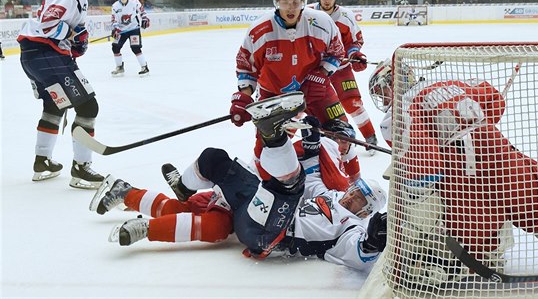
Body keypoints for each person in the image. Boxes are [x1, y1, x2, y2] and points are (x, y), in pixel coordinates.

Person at [368, 59, 538, 284]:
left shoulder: (402, 109)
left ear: (392, 86)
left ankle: (477, 263)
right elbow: (495, 102)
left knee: (467, 251)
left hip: (466, 185)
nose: (384, 97)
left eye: (382, 91)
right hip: (506, 161)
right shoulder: (453, 83)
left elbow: (426, 165)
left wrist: (410, 196)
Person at [92, 93, 388, 271]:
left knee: (225, 219)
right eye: (354, 192)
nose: (351, 197)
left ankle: (273, 134)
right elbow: (311, 176)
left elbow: (359, 254)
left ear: (365, 213)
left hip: (270, 233)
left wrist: (374, 241)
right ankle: (175, 186)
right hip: (258, 200)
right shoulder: (333, 195)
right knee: (214, 159)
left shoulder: (351, 227)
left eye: (359, 200)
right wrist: (311, 143)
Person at [229, 0, 346, 178]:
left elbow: (336, 52)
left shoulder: (322, 23)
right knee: (268, 150)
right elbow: (246, 67)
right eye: (285, 2)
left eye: (296, 1)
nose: (291, 7)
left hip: (315, 88)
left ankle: (355, 189)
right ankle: (259, 184)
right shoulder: (260, 30)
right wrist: (244, 96)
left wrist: (321, 74)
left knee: (343, 136)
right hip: (275, 96)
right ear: (277, 0)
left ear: (304, 1)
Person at [17, 0, 106, 189]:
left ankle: (42, 160)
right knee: (88, 106)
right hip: (45, 54)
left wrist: (76, 42)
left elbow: (58, 30)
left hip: (35, 55)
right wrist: (75, 34)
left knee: (54, 105)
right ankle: (81, 168)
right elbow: (48, 25)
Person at [309, 0, 379, 153]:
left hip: (340, 68)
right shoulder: (307, 13)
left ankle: (370, 136)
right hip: (315, 71)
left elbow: (355, 41)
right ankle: (323, 143)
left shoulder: (346, 16)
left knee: (352, 102)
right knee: (313, 107)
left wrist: (354, 55)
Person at [110, 0, 150, 77]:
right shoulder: (115, 6)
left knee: (135, 48)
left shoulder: (134, 2)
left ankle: (144, 67)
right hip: (122, 30)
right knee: (115, 47)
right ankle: (119, 67)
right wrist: (115, 29)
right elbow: (114, 20)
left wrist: (145, 19)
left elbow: (142, 12)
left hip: (134, 29)